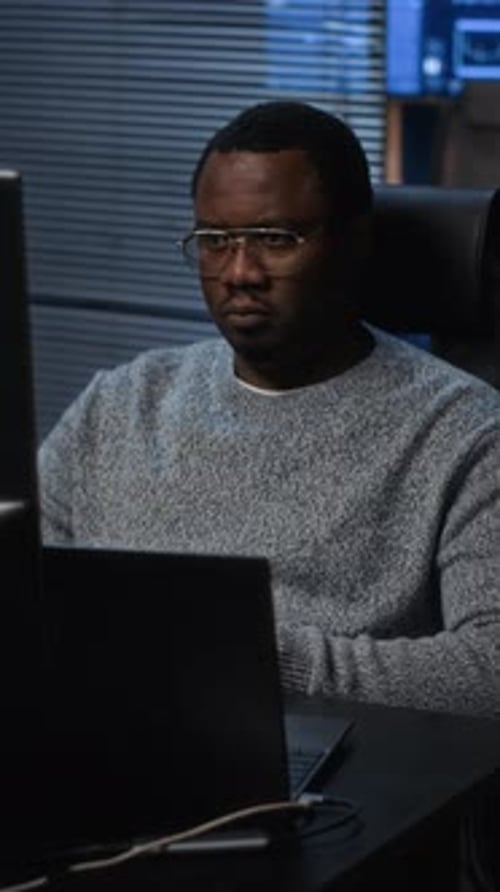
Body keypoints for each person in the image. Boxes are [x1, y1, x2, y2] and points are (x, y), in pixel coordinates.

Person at [38, 100, 500, 719]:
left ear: (354, 241)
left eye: (274, 239)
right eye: (214, 240)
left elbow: (488, 669)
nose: (239, 272)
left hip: (336, 780)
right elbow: (23, 593)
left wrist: (261, 660)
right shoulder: (121, 401)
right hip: (92, 746)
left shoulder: (464, 431)